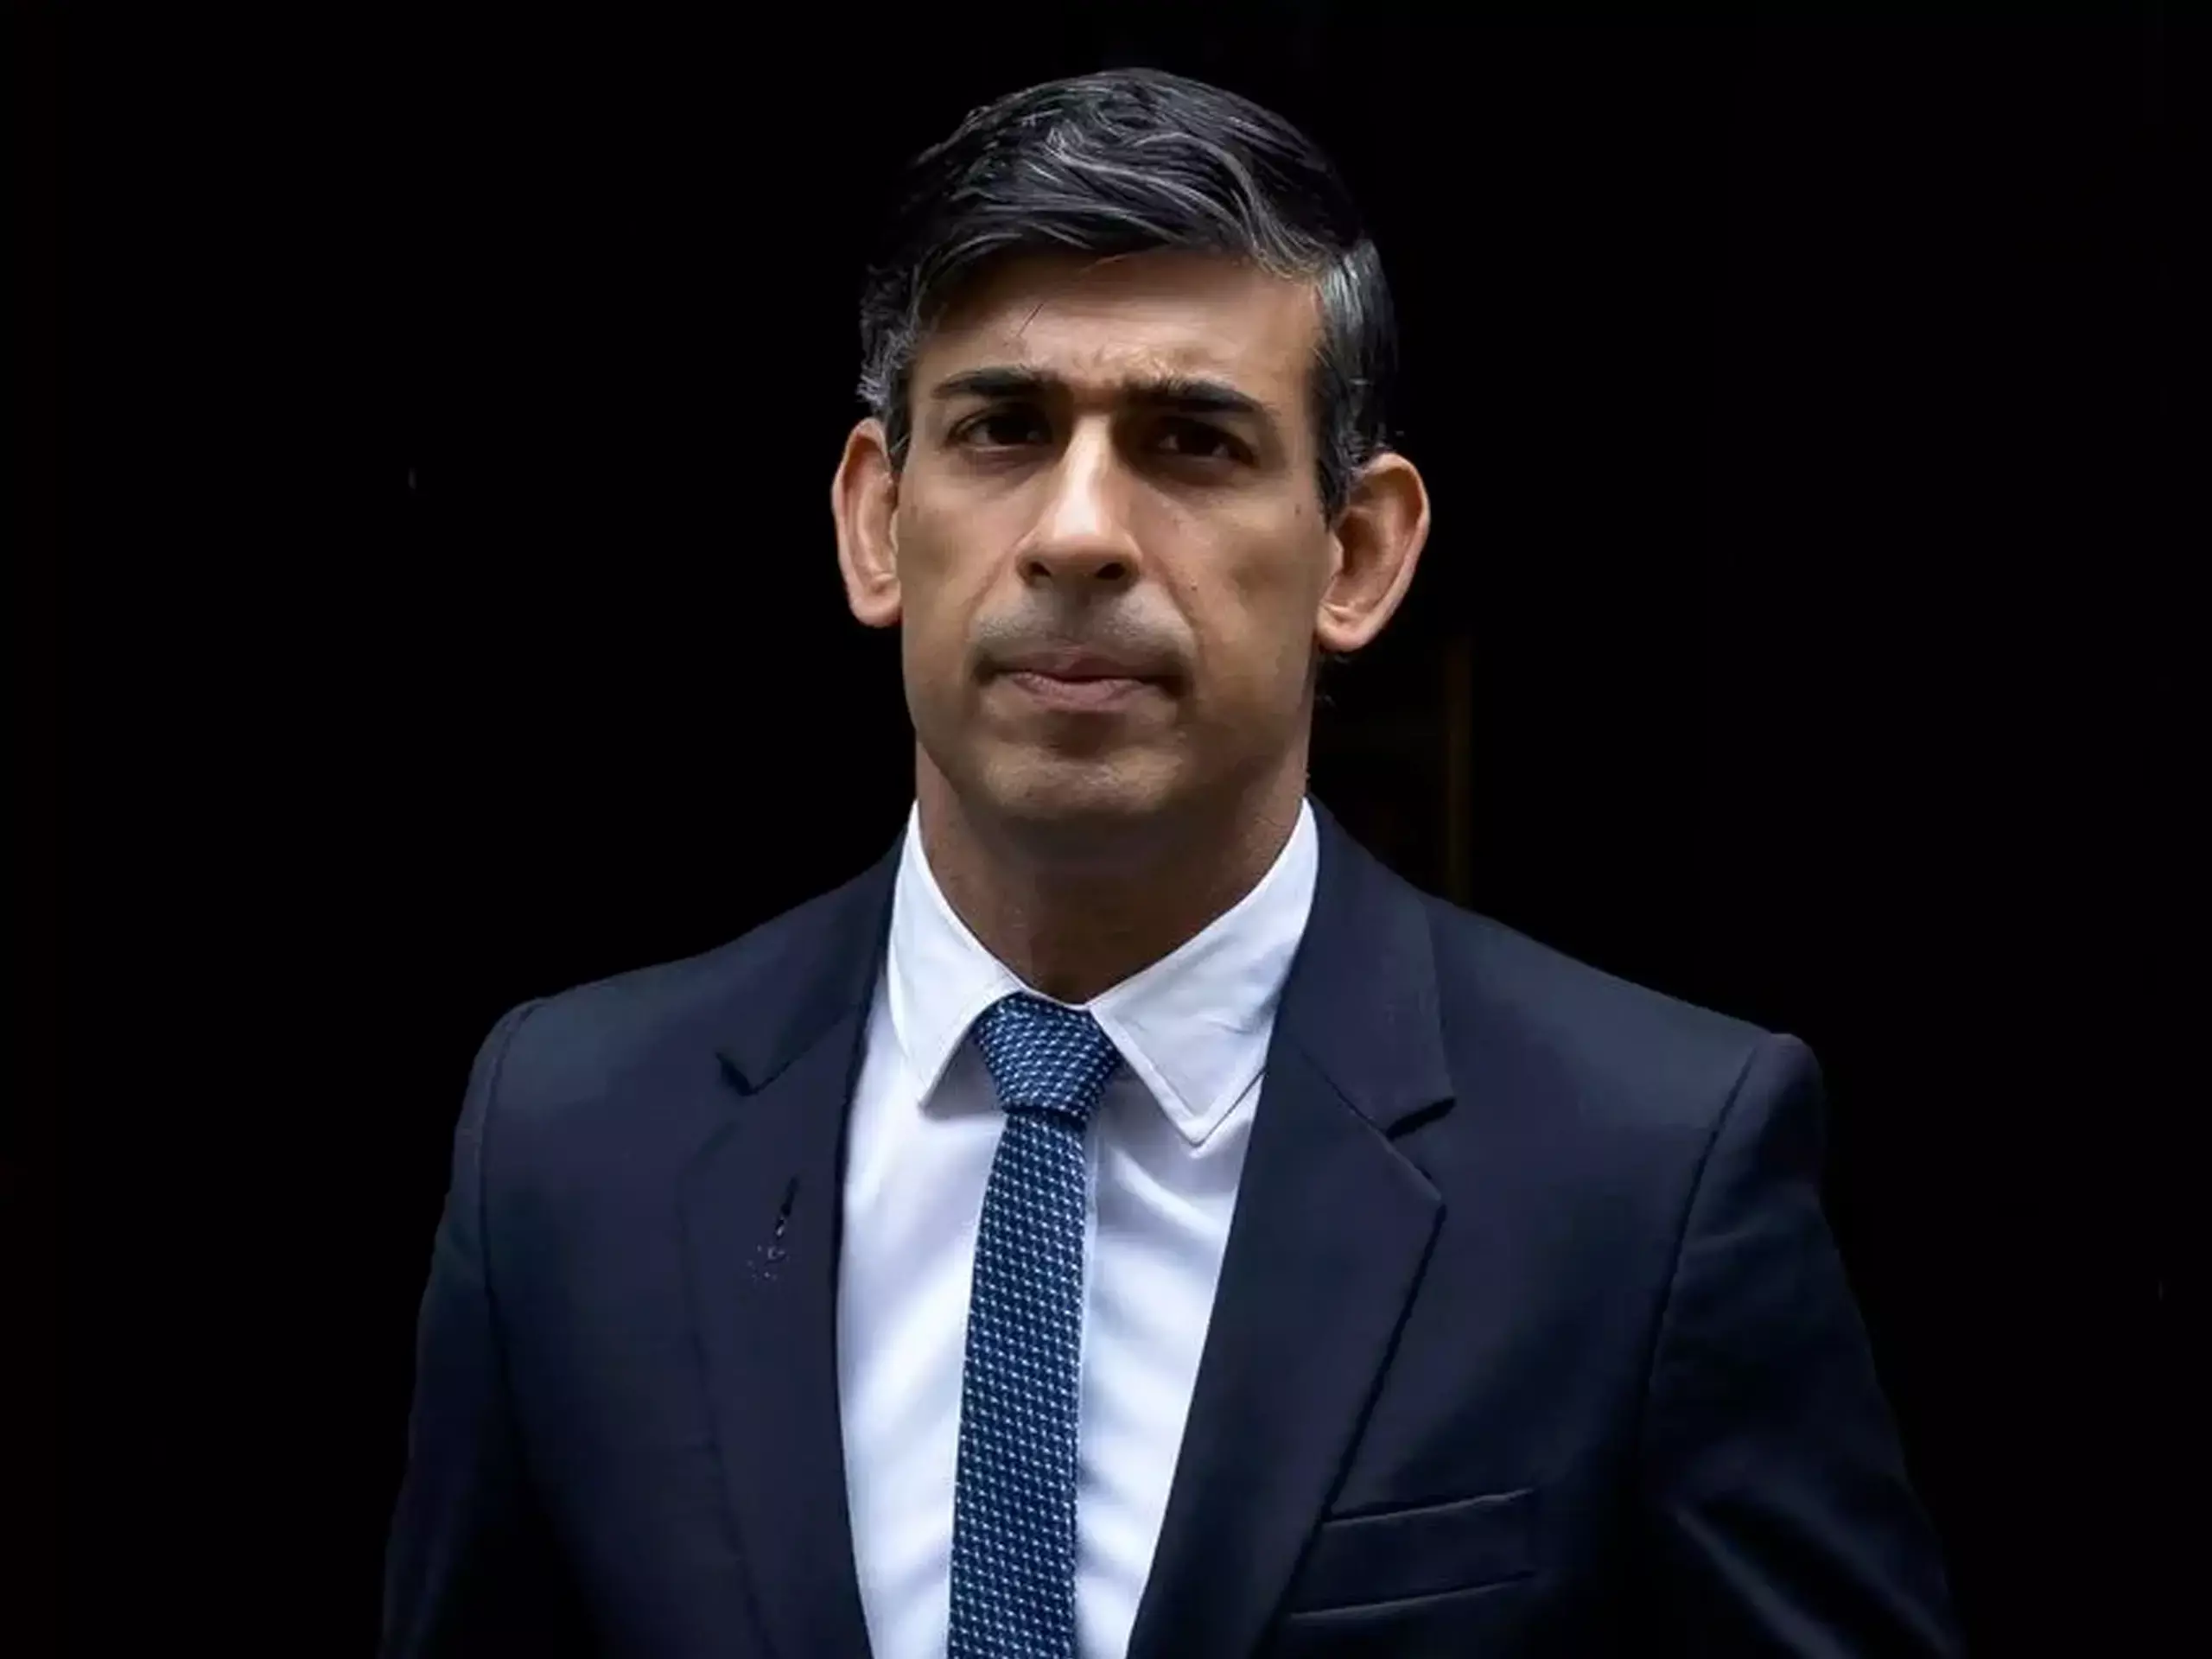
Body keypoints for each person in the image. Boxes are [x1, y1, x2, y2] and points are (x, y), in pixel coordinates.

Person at [380, 67, 1961, 1658]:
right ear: (876, 520)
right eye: (1003, 429)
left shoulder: (1648, 1170)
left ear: (1359, 553)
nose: (1079, 531)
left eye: (1193, 441)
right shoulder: (573, 1143)